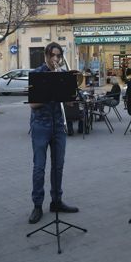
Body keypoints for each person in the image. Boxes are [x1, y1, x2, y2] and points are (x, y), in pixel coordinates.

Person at [28, 42, 80, 224]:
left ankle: (56, 201)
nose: (55, 59)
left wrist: (70, 97)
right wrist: (52, 92)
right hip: (40, 125)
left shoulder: (62, 75)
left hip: (58, 125)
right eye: (52, 55)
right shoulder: (36, 74)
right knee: (39, 167)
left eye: (58, 56)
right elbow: (33, 104)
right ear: (46, 56)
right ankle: (37, 205)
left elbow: (68, 102)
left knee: (58, 166)